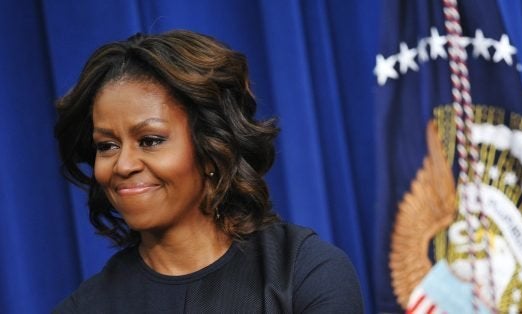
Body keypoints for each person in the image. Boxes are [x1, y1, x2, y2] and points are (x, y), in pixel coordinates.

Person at [53, 30, 363, 313]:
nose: (123, 165)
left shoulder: (303, 272)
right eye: (107, 146)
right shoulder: (84, 307)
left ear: (213, 149)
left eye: (150, 141)